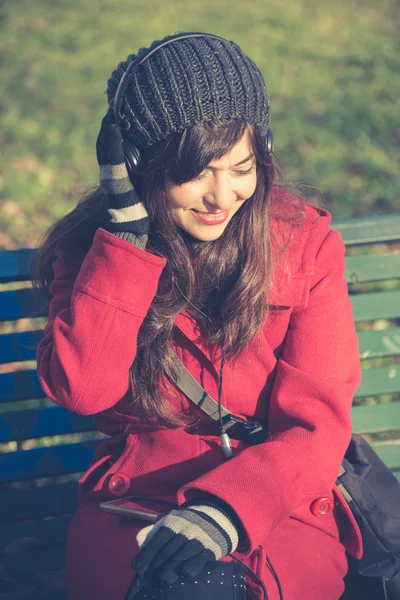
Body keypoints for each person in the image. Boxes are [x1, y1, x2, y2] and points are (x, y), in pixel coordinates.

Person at [33, 32, 363, 600]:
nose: (222, 195)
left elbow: (316, 424)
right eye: (197, 171)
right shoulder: (94, 251)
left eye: (242, 167)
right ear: (140, 166)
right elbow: (84, 389)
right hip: (137, 503)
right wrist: (126, 247)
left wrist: (225, 513)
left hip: (277, 503)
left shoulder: (303, 244)